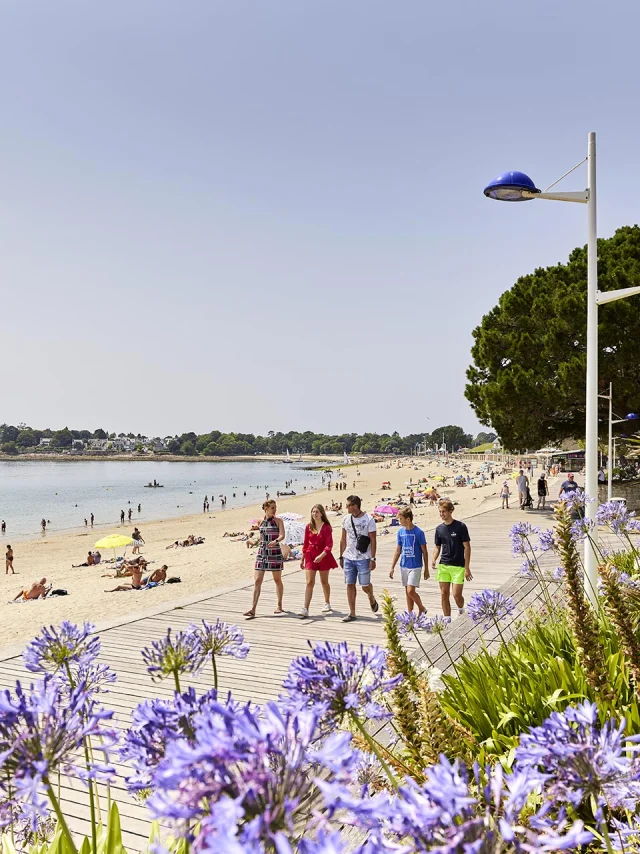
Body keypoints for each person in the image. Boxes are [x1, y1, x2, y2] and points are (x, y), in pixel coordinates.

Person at [339, 495, 378, 623]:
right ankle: (352, 613)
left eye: (348, 505)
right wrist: (341, 556)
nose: (346, 507)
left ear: (355, 506)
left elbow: (373, 539)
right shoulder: (346, 519)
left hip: (363, 557)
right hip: (349, 556)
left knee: (364, 585)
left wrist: (372, 558)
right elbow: (343, 539)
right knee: (350, 584)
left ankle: (371, 597)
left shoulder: (369, 519)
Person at [244, 500, 285, 618]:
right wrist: (255, 542)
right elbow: (261, 537)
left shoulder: (278, 521)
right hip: (262, 553)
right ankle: (253, 609)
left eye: (275, 507)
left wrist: (276, 541)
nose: (274, 510)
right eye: (272, 508)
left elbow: (282, 535)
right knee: (257, 581)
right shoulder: (260, 522)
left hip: (274, 552)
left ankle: (279, 605)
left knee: (277, 580)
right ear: (266, 509)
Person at [432, 499, 472, 618]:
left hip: (458, 566)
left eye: (443, 511)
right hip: (443, 565)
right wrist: (434, 558)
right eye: (440, 512)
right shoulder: (439, 529)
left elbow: (467, 547)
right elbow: (437, 547)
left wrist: (467, 568)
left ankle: (461, 609)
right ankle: (447, 619)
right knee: (444, 594)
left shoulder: (460, 526)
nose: (441, 514)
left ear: (451, 511)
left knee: (456, 595)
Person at [298, 504, 337, 618]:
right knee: (310, 582)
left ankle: (327, 602)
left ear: (321, 514)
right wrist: (302, 559)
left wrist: (322, 555)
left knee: (324, 581)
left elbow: (329, 545)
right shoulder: (308, 527)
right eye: (313, 512)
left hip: (323, 556)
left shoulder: (326, 527)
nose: (314, 514)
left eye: (317, 512)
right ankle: (305, 608)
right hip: (310, 555)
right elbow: (305, 544)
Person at [389, 508, 429, 615]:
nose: (399, 521)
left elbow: (424, 551)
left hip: (415, 566)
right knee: (407, 592)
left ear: (408, 519)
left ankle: (421, 608)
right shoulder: (400, 532)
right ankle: (410, 614)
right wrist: (392, 567)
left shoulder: (419, 532)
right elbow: (398, 550)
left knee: (411, 591)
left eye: (401, 519)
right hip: (404, 565)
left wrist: (426, 569)